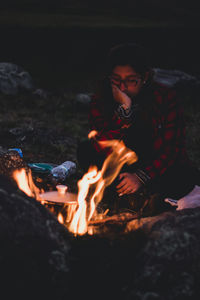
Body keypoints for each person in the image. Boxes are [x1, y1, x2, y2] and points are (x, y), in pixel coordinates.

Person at [77, 43, 200, 215]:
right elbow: (101, 145)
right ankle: (128, 195)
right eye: (116, 79)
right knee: (86, 150)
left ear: (145, 77)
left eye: (131, 80)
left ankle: (149, 196)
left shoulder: (165, 98)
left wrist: (141, 176)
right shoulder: (101, 98)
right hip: (121, 165)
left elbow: (172, 149)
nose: (123, 87)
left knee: (183, 176)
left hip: (157, 167)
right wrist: (124, 111)